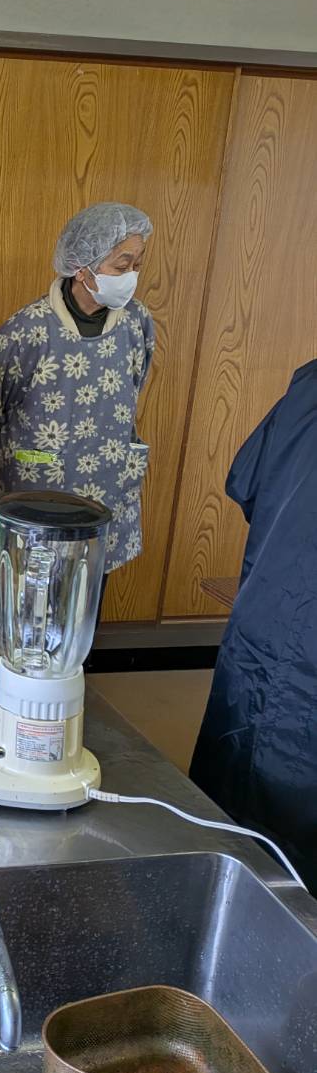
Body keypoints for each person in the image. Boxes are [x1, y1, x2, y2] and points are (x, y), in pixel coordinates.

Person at [0, 203, 155, 584]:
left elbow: (135, 384)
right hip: (37, 494)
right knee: (29, 604)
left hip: (106, 489)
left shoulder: (138, 322)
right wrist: (39, 456)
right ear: (83, 267)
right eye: (122, 265)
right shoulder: (26, 331)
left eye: (137, 264)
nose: (131, 275)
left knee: (86, 602)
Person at [189, 362, 317, 891]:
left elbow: (246, 481)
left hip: (267, 618)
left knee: (224, 814)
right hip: (298, 647)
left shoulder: (311, 383)